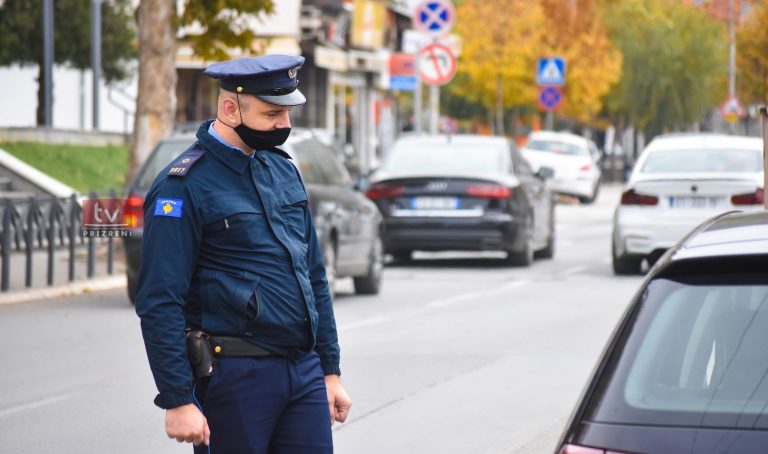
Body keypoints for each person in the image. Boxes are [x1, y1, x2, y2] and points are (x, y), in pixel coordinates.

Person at [135, 54, 351, 453]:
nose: (284, 125)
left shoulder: (282, 170)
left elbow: (313, 275)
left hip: (302, 373)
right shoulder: (182, 187)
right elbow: (159, 300)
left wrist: (329, 371)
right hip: (235, 376)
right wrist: (178, 398)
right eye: (272, 114)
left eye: (288, 113)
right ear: (231, 108)